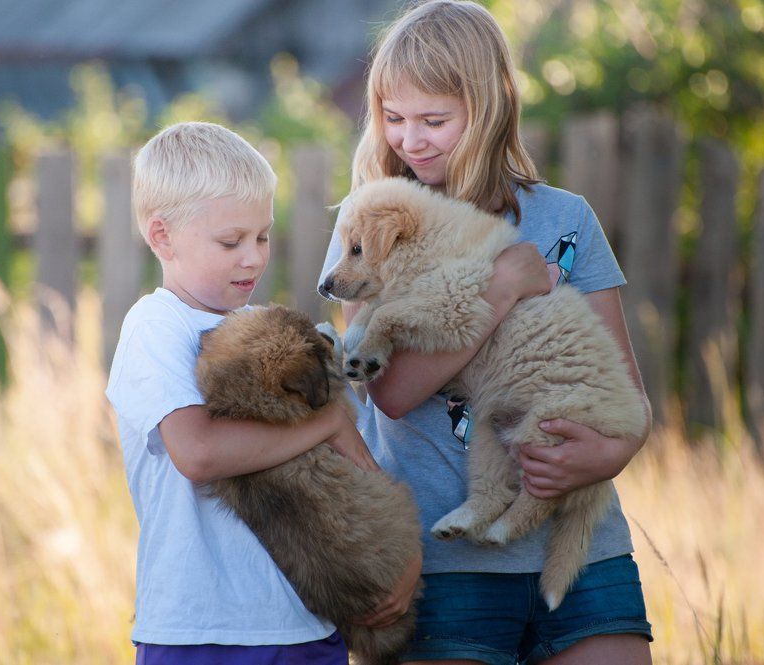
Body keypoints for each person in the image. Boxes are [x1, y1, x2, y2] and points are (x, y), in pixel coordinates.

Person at [317, 2, 654, 664]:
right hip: (443, 564)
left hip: (583, 552)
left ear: (490, 106)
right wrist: (499, 289)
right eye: (394, 118)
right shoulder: (373, 219)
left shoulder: (566, 219)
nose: (411, 139)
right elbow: (388, 393)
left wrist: (607, 455)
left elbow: (630, 399)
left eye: (434, 120)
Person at [106, 122, 416, 665]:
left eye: (263, 237)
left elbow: (357, 463)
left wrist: (405, 564)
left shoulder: (279, 335)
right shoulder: (157, 326)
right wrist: (325, 423)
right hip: (201, 630)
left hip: (307, 624)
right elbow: (198, 453)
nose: (252, 257)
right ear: (162, 236)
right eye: (231, 242)